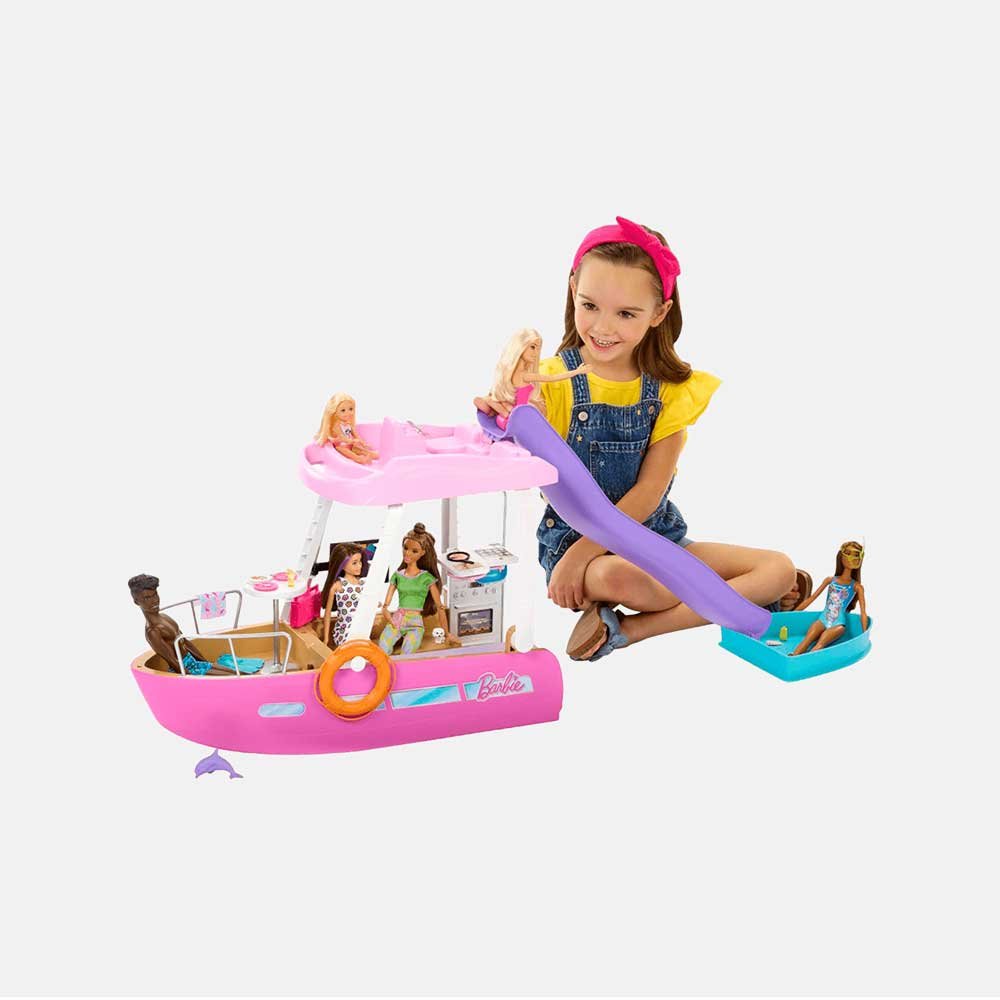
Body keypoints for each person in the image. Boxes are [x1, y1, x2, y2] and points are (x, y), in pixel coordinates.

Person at [475, 216, 804, 661]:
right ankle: (737, 601)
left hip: (658, 538)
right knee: (631, 580)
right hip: (581, 551)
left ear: (659, 314)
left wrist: (599, 553)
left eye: (626, 314)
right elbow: (519, 444)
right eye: (590, 305)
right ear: (573, 289)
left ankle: (634, 629)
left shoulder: (670, 392)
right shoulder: (551, 383)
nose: (603, 327)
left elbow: (649, 492)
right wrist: (501, 412)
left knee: (779, 569)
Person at [488, 327, 590, 430]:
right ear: (521, 346)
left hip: (517, 417)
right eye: (533, 347)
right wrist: (577, 372)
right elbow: (552, 378)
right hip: (520, 420)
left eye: (538, 349)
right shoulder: (524, 375)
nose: (536, 353)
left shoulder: (512, 374)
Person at [377, 523, 456, 655]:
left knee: (407, 653)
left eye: (414, 551)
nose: (407, 553)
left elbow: (440, 607)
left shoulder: (427, 578)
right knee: (382, 649)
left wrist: (447, 634)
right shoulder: (397, 576)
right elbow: (386, 605)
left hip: (415, 623)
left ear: (422, 553)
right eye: (405, 548)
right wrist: (387, 615)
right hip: (398, 618)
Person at [128, 574, 227, 674]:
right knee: (230, 677)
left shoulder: (164, 617)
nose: (155, 600)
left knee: (235, 672)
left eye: (155, 594)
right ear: (136, 602)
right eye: (147, 598)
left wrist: (206, 663)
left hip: (194, 662)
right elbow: (173, 661)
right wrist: (190, 678)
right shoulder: (153, 631)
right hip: (186, 670)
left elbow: (185, 642)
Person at [789, 541, 867, 656]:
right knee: (806, 640)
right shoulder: (830, 580)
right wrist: (793, 613)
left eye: (855, 555)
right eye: (848, 553)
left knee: (820, 644)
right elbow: (812, 598)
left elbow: (863, 612)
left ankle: (804, 662)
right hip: (822, 619)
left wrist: (865, 634)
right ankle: (792, 658)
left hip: (838, 624)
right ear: (841, 555)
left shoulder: (857, 586)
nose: (851, 558)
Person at [321, 542, 368, 647]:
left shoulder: (363, 583)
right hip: (345, 630)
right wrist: (326, 639)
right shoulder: (338, 585)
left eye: (360, 561)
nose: (359, 566)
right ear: (342, 565)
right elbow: (327, 614)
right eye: (354, 563)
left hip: (361, 628)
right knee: (353, 646)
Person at [315, 393, 379, 464]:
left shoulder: (349, 423)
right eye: (343, 410)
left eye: (350, 409)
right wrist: (352, 441)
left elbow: (355, 434)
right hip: (341, 446)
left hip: (350, 444)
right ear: (335, 413)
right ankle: (359, 459)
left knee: (359, 449)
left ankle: (370, 454)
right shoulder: (336, 425)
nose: (348, 413)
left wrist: (362, 442)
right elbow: (342, 438)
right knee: (345, 451)